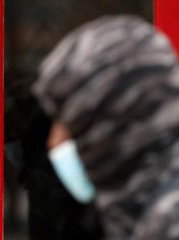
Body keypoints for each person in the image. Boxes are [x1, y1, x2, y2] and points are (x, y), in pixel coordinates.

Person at [32, 15, 179, 239]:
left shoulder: (167, 223)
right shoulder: (136, 211)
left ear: (109, 127)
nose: (53, 141)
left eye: (66, 122)